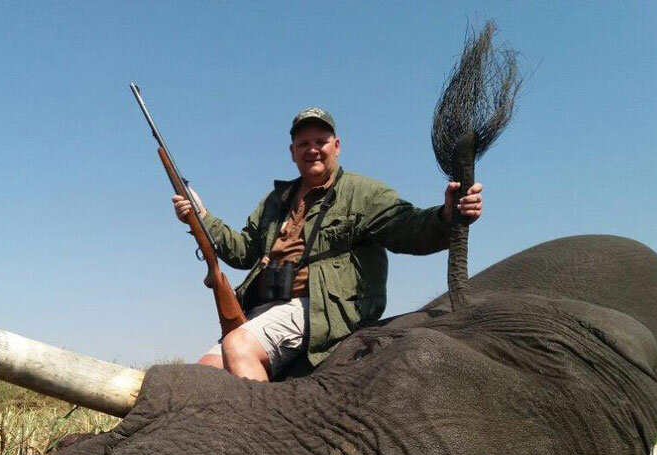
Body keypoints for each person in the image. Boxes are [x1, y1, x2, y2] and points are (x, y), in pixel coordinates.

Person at [172, 107, 483, 381]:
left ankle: (270, 445)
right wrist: (201, 216)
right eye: (303, 144)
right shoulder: (274, 201)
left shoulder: (363, 193)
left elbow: (410, 228)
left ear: (337, 146)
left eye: (320, 141)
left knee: (239, 345)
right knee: (205, 372)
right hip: (265, 308)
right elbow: (240, 253)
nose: (313, 150)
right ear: (292, 152)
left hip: (322, 309)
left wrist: (446, 214)